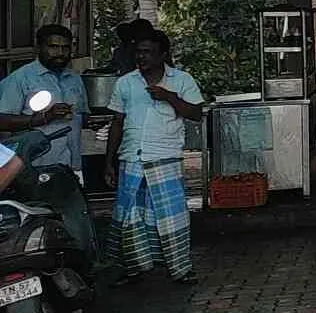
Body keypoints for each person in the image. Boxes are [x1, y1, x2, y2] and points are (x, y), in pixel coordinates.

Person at [105, 31, 204, 284]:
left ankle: (180, 268)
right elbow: (117, 122)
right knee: (129, 217)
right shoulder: (125, 83)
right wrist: (109, 161)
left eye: (148, 52)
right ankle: (132, 268)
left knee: (172, 218)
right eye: (139, 52)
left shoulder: (182, 80)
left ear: (163, 55)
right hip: (131, 158)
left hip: (165, 157)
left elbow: (195, 113)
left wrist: (170, 97)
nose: (141, 57)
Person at [0, 24, 95, 263]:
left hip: (71, 166)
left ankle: (76, 273)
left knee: (76, 223)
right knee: (42, 226)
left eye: (65, 48)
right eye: (53, 47)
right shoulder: (20, 79)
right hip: (35, 169)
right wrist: (41, 118)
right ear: (39, 48)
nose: (60, 53)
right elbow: (2, 120)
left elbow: (82, 116)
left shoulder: (74, 79)